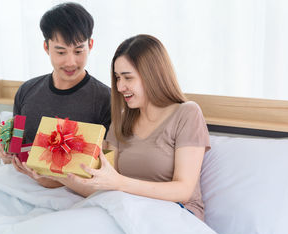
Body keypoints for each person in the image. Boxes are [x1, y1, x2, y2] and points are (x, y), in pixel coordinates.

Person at [22, 34, 210, 220]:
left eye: (127, 78)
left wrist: (119, 183)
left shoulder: (187, 113)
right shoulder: (122, 121)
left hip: (178, 214)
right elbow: (102, 186)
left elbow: (183, 190)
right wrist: (55, 174)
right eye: (118, 78)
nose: (119, 87)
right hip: (129, 210)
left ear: (152, 75)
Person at [0, 2, 111, 188]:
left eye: (79, 51)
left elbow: (107, 170)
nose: (70, 61)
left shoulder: (106, 99)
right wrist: (6, 152)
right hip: (22, 185)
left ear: (90, 45)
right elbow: (16, 143)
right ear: (46, 47)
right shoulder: (27, 91)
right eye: (60, 52)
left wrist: (54, 180)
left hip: (73, 196)